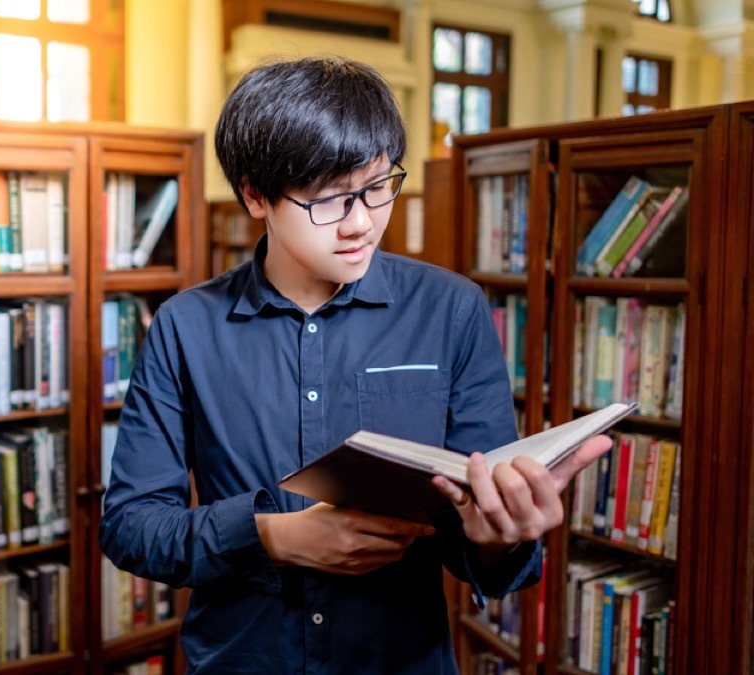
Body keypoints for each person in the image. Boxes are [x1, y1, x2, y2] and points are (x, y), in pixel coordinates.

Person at [98, 55, 612, 674]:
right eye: (330, 201)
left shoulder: (450, 310)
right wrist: (270, 536)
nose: (362, 223)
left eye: (376, 188)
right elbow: (131, 527)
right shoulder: (186, 326)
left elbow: (485, 551)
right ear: (255, 195)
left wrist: (501, 534)